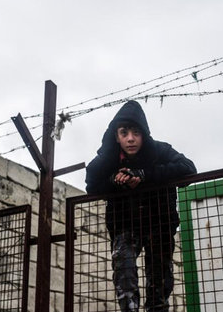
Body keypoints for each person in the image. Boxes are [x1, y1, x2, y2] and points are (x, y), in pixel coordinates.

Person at [85, 100, 196, 312]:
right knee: (124, 274)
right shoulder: (108, 158)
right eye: (124, 133)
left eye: (136, 132)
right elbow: (92, 184)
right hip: (124, 226)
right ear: (116, 136)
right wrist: (115, 181)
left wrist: (145, 175)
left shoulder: (160, 150)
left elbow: (188, 168)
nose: (130, 139)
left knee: (159, 280)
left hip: (159, 225)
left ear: (144, 134)